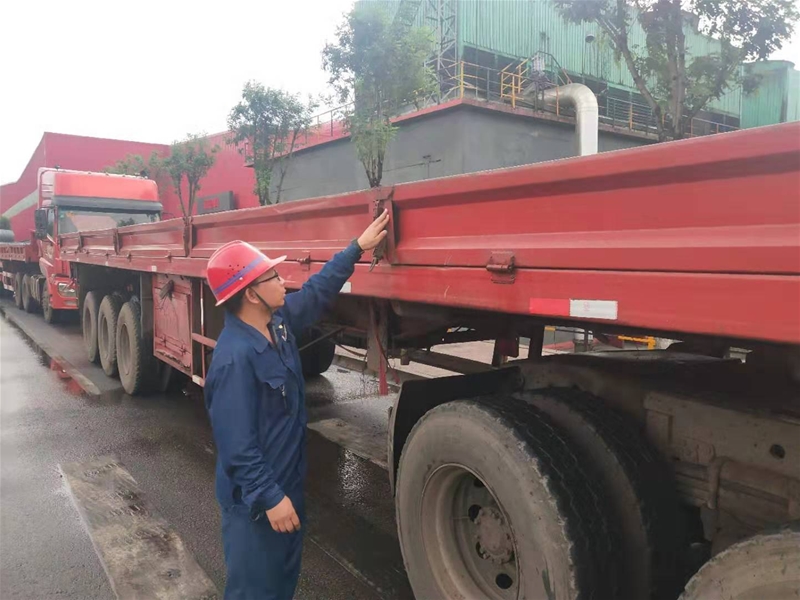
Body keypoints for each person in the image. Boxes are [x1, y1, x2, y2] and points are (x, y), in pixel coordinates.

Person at [203, 209, 390, 600]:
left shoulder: (279, 323)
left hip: (287, 488)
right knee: (255, 591)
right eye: (272, 276)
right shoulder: (234, 359)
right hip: (256, 505)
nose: (282, 281)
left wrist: (357, 248)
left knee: (282, 585)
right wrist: (271, 499)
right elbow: (237, 447)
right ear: (250, 294)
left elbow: (318, 290)